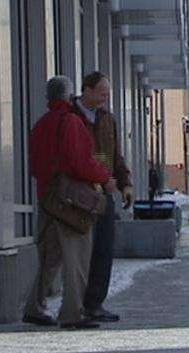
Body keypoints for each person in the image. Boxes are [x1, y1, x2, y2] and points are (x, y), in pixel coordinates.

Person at [23, 76, 112, 329]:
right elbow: (80, 162)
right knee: (76, 258)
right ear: (70, 95)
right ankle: (72, 312)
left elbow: (35, 165)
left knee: (50, 257)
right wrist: (104, 178)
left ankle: (34, 308)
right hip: (71, 202)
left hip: (47, 198)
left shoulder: (41, 124)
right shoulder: (71, 121)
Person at [72, 71, 134, 323]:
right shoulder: (71, 118)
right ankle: (75, 305)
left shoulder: (107, 119)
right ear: (86, 90)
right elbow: (77, 159)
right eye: (101, 93)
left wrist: (125, 184)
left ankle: (95, 303)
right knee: (80, 253)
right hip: (79, 195)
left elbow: (115, 156)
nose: (105, 98)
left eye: (107, 94)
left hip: (104, 193)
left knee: (103, 249)